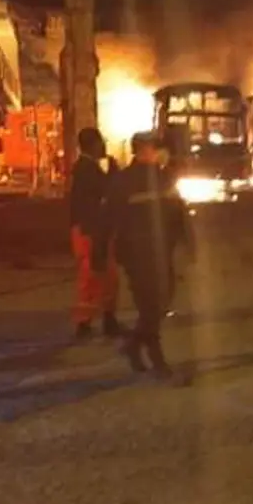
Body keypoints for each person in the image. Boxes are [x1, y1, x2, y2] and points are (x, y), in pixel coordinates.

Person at [94, 132, 195, 385]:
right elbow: (106, 219)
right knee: (150, 307)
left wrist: (188, 243)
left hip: (161, 251)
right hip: (136, 254)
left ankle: (133, 345)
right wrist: (99, 252)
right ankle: (159, 363)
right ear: (143, 150)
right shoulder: (124, 181)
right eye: (156, 148)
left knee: (162, 302)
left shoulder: (164, 178)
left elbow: (178, 212)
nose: (162, 152)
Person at [68, 128, 120, 340]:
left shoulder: (87, 168)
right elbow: (105, 191)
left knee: (108, 276)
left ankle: (108, 319)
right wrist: (114, 174)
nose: (103, 147)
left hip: (95, 230)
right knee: (90, 277)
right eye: (100, 143)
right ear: (92, 145)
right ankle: (84, 322)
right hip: (89, 232)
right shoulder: (85, 170)